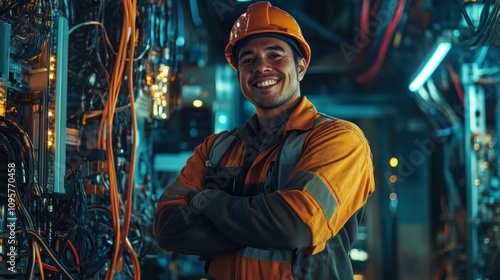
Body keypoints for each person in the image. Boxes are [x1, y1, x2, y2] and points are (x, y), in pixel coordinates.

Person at [154, 1, 375, 279]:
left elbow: (295, 225)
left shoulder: (339, 140)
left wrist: (207, 201)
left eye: (275, 55)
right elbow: (169, 228)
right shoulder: (215, 149)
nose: (261, 67)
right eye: (248, 60)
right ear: (240, 74)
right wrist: (264, 228)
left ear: (301, 67)